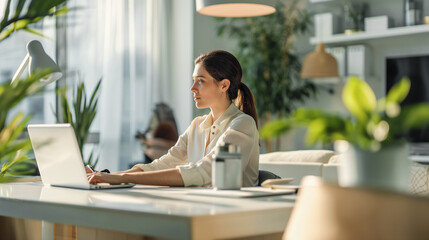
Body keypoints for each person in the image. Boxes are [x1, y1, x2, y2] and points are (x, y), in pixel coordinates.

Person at [88, 50, 260, 187]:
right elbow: (163, 164)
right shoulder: (197, 125)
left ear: (224, 85)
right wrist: (107, 177)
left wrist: (122, 178)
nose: (192, 88)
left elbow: (203, 172)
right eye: (193, 80)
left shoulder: (242, 124)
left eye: (200, 81)